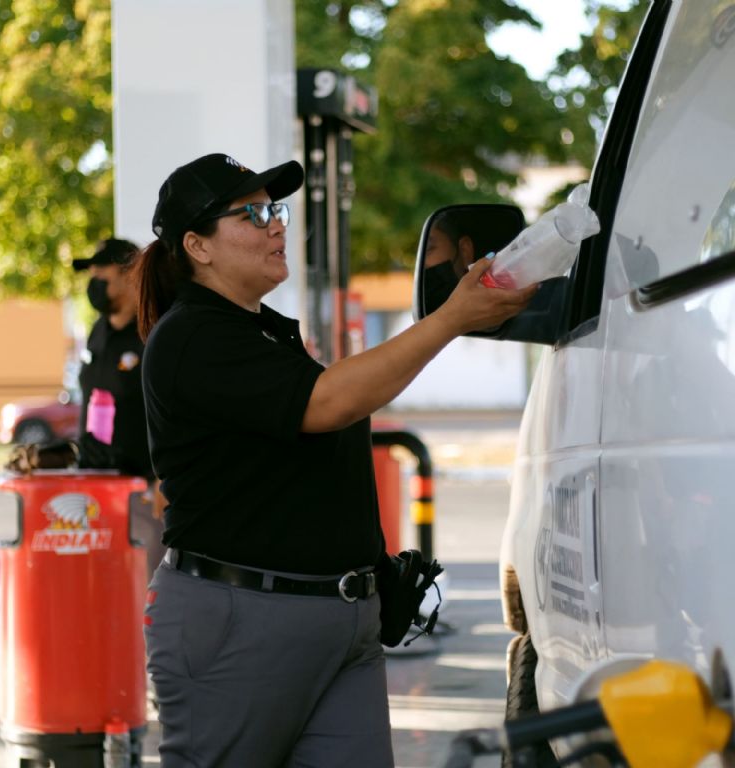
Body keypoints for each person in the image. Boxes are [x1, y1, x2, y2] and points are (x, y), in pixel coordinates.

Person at [134, 152, 536, 768]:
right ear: (198, 245)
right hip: (243, 623)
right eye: (255, 213)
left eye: (278, 209)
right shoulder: (191, 336)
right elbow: (331, 402)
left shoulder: (260, 332)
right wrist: (451, 318)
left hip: (342, 619)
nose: (277, 225)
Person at [73, 238, 165, 578]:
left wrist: (163, 477)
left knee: (146, 588)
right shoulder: (98, 333)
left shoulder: (155, 328)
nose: (94, 284)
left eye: (102, 275)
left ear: (130, 275)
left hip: (142, 489)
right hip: (95, 488)